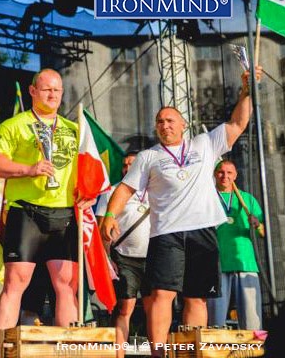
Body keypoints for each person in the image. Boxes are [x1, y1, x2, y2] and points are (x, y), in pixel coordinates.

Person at [101, 67, 261, 358]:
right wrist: (110, 216)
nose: (165, 126)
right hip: (166, 234)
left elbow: (238, 123)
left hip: (203, 232)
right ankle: (159, 353)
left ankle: (190, 352)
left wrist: (247, 90)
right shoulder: (149, 157)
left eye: (170, 120)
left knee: (197, 298)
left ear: (184, 124)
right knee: (162, 295)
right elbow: (124, 189)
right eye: (159, 122)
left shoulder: (205, 143)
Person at [0, 68, 95, 357]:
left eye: (57, 90)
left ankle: (70, 351)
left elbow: (91, 169)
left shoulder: (75, 129)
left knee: (66, 286)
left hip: (65, 214)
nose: (53, 95)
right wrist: (28, 170)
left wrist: (89, 193)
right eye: (46, 89)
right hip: (27, 212)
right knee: (15, 283)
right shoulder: (15, 125)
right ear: (33, 91)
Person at [96, 150, 151, 358]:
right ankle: (119, 355)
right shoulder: (112, 191)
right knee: (124, 308)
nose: (128, 168)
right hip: (124, 257)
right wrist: (107, 259)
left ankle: (157, 352)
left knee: (154, 309)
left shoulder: (156, 189)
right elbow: (101, 229)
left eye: (133, 164)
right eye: (125, 165)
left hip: (155, 257)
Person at [207, 159, 264, 330]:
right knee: (215, 318)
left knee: (252, 317)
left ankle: (254, 350)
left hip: (245, 262)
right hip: (216, 262)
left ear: (235, 175)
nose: (225, 176)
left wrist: (257, 223)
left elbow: (262, 232)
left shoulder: (247, 199)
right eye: (221, 172)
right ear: (215, 174)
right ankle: (216, 353)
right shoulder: (207, 198)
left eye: (229, 173)